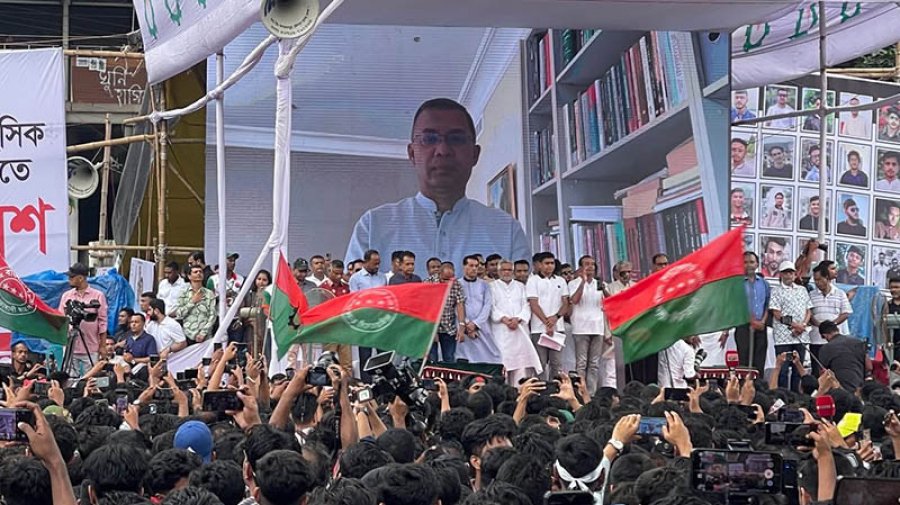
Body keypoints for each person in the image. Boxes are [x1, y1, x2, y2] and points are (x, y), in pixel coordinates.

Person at [344, 98, 530, 277]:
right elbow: (354, 296)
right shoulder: (373, 227)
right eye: (429, 139)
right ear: (412, 153)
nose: (443, 150)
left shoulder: (507, 231)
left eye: (456, 139)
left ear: (474, 154)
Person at [490, 259, 541, 384]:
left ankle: (519, 390)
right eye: (504, 270)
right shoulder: (492, 286)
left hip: (519, 329)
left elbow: (526, 306)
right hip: (500, 330)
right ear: (498, 271)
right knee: (503, 362)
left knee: (520, 364)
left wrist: (518, 319)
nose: (506, 272)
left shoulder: (521, 286)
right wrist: (504, 319)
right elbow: (491, 307)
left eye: (509, 270)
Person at [722, 251, 770, 374]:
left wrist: (763, 321)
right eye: (745, 262)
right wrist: (751, 321)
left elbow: (767, 305)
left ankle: (758, 386)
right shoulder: (737, 284)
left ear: (757, 264)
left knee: (759, 361)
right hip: (743, 326)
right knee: (744, 361)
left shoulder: (764, 284)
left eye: (752, 262)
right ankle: (745, 386)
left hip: (760, 327)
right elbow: (735, 307)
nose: (749, 265)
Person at [58, 262, 108, 376]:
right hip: (70, 346)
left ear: (80, 278)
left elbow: (102, 322)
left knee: (91, 378)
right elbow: (61, 319)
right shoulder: (66, 296)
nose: (69, 280)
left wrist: (103, 346)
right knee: (69, 378)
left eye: (72, 277)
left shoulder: (98, 295)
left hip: (91, 346)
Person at [770, 260, 812, 391]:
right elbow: (777, 313)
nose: (789, 275)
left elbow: (808, 310)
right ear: (781, 274)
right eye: (786, 273)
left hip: (800, 336)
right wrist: (795, 325)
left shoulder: (802, 290)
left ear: (795, 274)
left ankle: (796, 396)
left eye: (791, 272)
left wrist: (803, 325)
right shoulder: (776, 291)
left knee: (798, 369)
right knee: (783, 370)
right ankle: (783, 395)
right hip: (784, 338)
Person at [526, 251, 569, 380]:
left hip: (557, 328)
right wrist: (547, 322)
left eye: (552, 263)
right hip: (539, 329)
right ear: (539, 265)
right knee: (540, 364)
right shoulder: (533, 280)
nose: (550, 266)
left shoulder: (561, 280)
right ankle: (542, 390)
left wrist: (555, 318)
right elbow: (534, 304)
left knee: (557, 364)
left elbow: (566, 303)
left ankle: (555, 389)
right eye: (546, 263)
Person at [568, 255, 607, 395]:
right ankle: (580, 392)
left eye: (592, 264)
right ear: (580, 267)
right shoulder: (573, 283)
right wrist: (583, 282)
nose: (590, 267)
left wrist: (604, 289)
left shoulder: (600, 283)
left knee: (594, 363)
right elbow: (575, 300)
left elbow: (610, 302)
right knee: (581, 363)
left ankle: (591, 393)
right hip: (581, 327)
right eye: (586, 264)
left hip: (597, 327)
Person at [457, 255, 502, 364]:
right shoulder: (457, 284)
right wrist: (467, 325)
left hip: (482, 326)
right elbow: (456, 306)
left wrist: (476, 324)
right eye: (471, 265)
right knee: (465, 358)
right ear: (464, 267)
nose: (474, 269)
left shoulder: (484, 285)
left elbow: (487, 305)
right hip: (463, 327)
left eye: (476, 266)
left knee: (490, 357)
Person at [808, 268, 852, 378]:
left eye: (819, 279)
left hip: (835, 340)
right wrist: (819, 325)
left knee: (835, 370)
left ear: (827, 278)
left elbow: (846, 313)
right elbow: (808, 313)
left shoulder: (840, 293)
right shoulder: (811, 295)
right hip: (816, 339)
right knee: (817, 370)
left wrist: (832, 325)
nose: (817, 283)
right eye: (815, 280)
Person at [426, 262, 465, 363]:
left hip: (448, 327)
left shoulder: (456, 284)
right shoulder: (429, 283)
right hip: (431, 327)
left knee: (449, 359)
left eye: (450, 279)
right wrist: (432, 330)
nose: (448, 282)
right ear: (439, 273)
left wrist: (461, 326)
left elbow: (460, 305)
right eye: (445, 279)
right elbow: (425, 307)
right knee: (432, 359)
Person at [817, 320, 869, 392]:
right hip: (859, 387)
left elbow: (823, 374)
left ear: (825, 335)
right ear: (837, 329)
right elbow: (869, 366)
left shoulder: (825, 348)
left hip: (839, 390)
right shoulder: (858, 342)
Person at [173, 265, 217, 344]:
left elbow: (212, 315)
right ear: (189, 276)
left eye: (200, 272)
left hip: (206, 336)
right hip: (188, 334)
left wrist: (203, 333)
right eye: (195, 272)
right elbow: (179, 314)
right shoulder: (183, 293)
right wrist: (192, 302)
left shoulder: (209, 293)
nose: (198, 273)